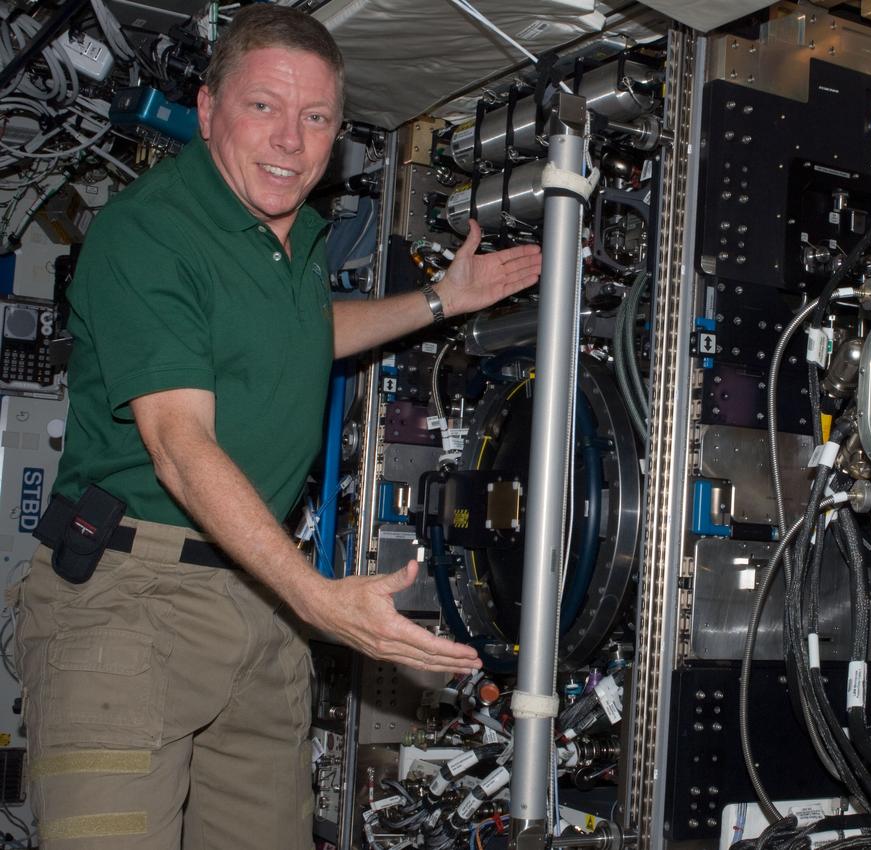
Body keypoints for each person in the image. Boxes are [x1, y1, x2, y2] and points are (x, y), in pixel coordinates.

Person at [14, 5, 541, 848]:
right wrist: (319, 600)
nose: (291, 141)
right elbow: (181, 449)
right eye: (264, 107)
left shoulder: (284, 236)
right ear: (208, 107)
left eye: (317, 117)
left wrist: (444, 299)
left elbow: (304, 333)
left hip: (254, 597)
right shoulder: (152, 233)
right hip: (132, 601)